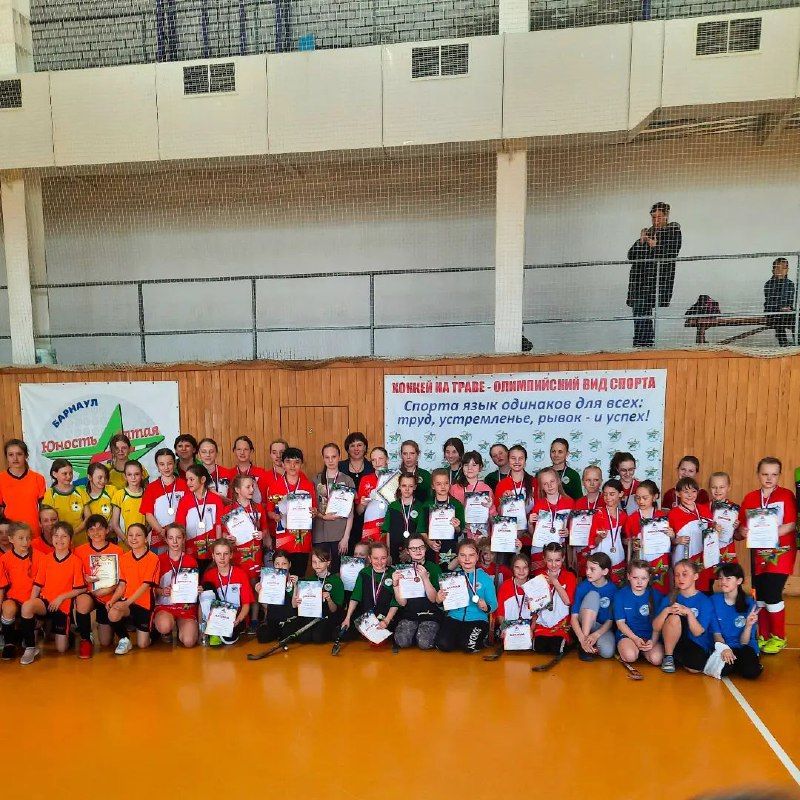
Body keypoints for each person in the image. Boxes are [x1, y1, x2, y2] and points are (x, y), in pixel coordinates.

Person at [738, 457, 797, 654]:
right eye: (765, 474)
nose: (769, 478)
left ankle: (779, 637)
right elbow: (741, 529)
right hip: (758, 555)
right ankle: (763, 635)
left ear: (779, 475)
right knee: (761, 596)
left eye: (774, 474)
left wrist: (767, 533)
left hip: (781, 553)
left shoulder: (786, 495)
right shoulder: (750, 498)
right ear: (758, 474)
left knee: (772, 593)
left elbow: (791, 525)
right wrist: (743, 531)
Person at [18, 521, 85, 665]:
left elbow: (81, 588)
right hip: (45, 602)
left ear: (70, 539)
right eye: (56, 536)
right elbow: (37, 585)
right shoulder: (45, 559)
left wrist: (61, 597)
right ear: (52, 537)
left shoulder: (76, 561)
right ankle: (30, 647)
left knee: (61, 649)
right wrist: (32, 607)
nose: (59, 539)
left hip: (62, 606)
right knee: (27, 606)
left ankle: (68, 632)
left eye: (64, 536)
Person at [626, 200, 682, 348]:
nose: (656, 220)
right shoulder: (648, 232)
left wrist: (656, 246)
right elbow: (631, 255)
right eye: (653, 217)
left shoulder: (673, 231)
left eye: (659, 217)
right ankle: (641, 347)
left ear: (666, 216)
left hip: (656, 282)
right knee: (639, 315)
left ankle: (645, 347)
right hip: (639, 282)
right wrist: (641, 242)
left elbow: (672, 252)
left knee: (644, 315)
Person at [105, 523, 160, 655]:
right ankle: (124, 639)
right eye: (130, 535)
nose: (134, 538)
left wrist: (126, 603)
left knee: (142, 644)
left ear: (145, 539)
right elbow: (122, 584)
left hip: (144, 604)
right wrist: (113, 600)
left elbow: (145, 585)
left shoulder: (153, 558)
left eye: (138, 535)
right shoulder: (124, 558)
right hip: (128, 602)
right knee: (113, 612)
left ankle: (154, 630)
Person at [435, 539, 497, 653]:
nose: (467, 559)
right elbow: (443, 603)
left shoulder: (485, 578)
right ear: (457, 557)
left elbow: (494, 604)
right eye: (463, 555)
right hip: (454, 617)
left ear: (477, 557)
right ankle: (460, 637)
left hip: (477, 619)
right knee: (443, 644)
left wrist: (486, 607)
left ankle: (476, 637)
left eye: (471, 555)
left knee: (468, 646)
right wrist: (438, 599)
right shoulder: (450, 578)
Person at [73, 514, 123, 658]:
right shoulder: (79, 551)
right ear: (87, 533)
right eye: (92, 529)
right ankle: (85, 639)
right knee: (82, 600)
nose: (96, 532)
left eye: (100, 528)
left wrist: (110, 589)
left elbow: (122, 579)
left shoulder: (118, 551)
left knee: (106, 642)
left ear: (107, 530)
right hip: (89, 594)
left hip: (108, 596)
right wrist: (85, 578)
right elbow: (75, 576)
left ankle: (110, 627)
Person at [221, 473, 266, 632]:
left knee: (255, 586)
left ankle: (254, 619)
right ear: (237, 490)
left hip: (255, 554)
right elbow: (222, 534)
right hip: (237, 555)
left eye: (252, 486)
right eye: (248, 487)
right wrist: (228, 538)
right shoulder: (228, 511)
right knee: (239, 587)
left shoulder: (258, 508)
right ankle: (239, 620)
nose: (252, 489)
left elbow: (265, 530)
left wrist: (262, 534)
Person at [653, 559, 713, 674]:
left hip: (695, 642)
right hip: (673, 642)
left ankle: (679, 658)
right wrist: (666, 611)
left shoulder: (704, 601)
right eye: (677, 575)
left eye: (685, 574)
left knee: (694, 668)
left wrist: (688, 613)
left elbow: (697, 632)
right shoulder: (669, 598)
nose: (680, 578)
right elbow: (655, 627)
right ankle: (669, 657)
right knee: (674, 617)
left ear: (695, 576)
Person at [266, 447, 317, 576]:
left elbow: (314, 510)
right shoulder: (275, 486)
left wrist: (314, 512)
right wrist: (275, 516)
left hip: (302, 538)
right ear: (283, 464)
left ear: (301, 464)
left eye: (296, 462)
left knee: (299, 575)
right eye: (288, 462)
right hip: (284, 537)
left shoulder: (308, 485)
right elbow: (269, 511)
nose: (292, 466)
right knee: (282, 575)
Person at [199, 538, 254, 646]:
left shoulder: (240, 574)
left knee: (228, 639)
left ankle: (218, 633)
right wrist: (201, 628)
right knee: (206, 586)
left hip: (235, 618)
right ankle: (212, 630)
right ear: (213, 556)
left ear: (231, 555)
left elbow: (246, 604)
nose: (222, 557)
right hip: (215, 617)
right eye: (218, 554)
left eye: (225, 554)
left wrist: (238, 620)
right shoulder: (209, 575)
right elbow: (202, 605)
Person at [0, 522, 43, 660]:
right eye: (20, 538)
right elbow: (1, 587)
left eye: (28, 538)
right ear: (11, 539)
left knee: (28, 608)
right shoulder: (4, 559)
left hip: (34, 600)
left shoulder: (40, 557)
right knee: (7, 607)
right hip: (14, 599)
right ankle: (9, 643)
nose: (25, 542)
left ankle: (30, 645)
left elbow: (43, 585)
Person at [711, 562, 762, 679]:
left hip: (744, 646)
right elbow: (716, 634)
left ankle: (746, 663)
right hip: (725, 646)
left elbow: (744, 642)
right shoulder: (714, 601)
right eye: (721, 578)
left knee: (751, 673)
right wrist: (724, 649)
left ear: (739, 581)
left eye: (728, 578)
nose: (723, 581)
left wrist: (748, 625)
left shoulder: (750, 603)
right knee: (724, 670)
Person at [153, 523, 200, 648]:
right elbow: (151, 588)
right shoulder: (158, 560)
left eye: (178, 537)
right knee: (164, 626)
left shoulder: (191, 561)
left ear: (184, 539)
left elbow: (193, 588)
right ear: (166, 539)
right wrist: (162, 591)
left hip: (185, 607)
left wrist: (197, 590)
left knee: (189, 642)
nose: (174, 542)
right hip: (165, 605)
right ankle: (167, 631)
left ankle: (182, 628)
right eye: (171, 538)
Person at [392, 534, 442, 650]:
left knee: (425, 643)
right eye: (413, 548)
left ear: (425, 548)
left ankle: (420, 634)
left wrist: (425, 578)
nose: (418, 551)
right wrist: (395, 584)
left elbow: (434, 599)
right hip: (410, 615)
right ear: (407, 551)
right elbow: (402, 603)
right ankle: (415, 634)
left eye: (421, 547)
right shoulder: (403, 570)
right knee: (401, 641)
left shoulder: (433, 568)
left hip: (430, 615)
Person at [667, 477, 715, 593]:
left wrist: (715, 529)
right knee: (683, 590)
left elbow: (711, 532)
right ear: (678, 493)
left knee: (703, 589)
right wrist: (676, 540)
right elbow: (668, 541)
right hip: (682, 558)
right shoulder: (673, 514)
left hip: (703, 557)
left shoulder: (704, 510)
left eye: (693, 491)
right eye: (686, 492)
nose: (690, 495)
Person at [623, 479, 672, 592]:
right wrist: (632, 543)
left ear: (654, 497)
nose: (641, 501)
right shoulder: (632, 518)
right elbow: (626, 540)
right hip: (641, 560)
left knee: (660, 591)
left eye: (645, 498)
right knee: (642, 592)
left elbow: (671, 540)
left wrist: (672, 535)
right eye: (637, 498)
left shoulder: (663, 517)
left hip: (660, 560)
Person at [287, 546, 344, 644]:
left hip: (328, 617)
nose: (317, 565)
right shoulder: (309, 580)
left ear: (328, 563)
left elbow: (334, 610)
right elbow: (295, 604)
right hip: (311, 616)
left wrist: (329, 599)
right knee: (304, 639)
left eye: (321, 562)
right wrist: (298, 596)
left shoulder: (336, 581)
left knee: (318, 638)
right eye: (314, 562)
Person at [615, 559, 665, 667]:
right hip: (629, 636)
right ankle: (631, 649)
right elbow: (620, 623)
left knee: (657, 659)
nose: (639, 582)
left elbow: (659, 624)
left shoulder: (656, 596)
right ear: (628, 576)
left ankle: (643, 651)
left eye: (643, 578)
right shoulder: (620, 595)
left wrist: (653, 641)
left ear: (649, 578)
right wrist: (635, 639)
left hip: (650, 637)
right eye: (635, 578)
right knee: (630, 656)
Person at [312, 443, 355, 571]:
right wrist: (323, 516)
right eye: (327, 457)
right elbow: (312, 509)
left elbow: (351, 512)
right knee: (321, 570)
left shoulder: (347, 480)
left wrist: (346, 538)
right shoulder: (316, 480)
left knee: (337, 571)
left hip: (339, 534)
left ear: (339, 457)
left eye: (334, 457)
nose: (330, 460)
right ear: (323, 458)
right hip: (320, 534)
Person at [341, 541, 398, 635]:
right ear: (369, 558)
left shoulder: (394, 574)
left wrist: (386, 621)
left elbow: (395, 602)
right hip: (367, 618)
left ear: (387, 557)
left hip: (387, 618)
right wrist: (347, 618)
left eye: (383, 558)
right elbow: (355, 597)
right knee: (343, 633)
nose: (379, 562)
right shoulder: (364, 573)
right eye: (375, 558)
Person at [141, 448, 188, 555]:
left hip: (181, 537)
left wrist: (178, 533)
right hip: (159, 537)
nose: (166, 467)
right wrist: (162, 532)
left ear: (174, 464)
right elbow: (148, 514)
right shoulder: (151, 488)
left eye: (169, 463)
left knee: (181, 563)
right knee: (161, 564)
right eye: (162, 464)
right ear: (157, 466)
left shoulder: (184, 485)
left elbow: (189, 510)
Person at [175, 464, 226, 564]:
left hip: (211, 552)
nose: (188, 483)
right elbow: (180, 527)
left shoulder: (216, 499)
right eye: (187, 479)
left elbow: (219, 525)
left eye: (191, 479)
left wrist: (218, 550)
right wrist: (183, 552)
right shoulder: (184, 501)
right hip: (191, 552)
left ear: (202, 479)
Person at [571, 552, 617, 661]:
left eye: (592, 569)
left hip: (601, 627)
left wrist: (596, 635)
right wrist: (582, 639)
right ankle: (583, 646)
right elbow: (573, 618)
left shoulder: (613, 590)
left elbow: (610, 620)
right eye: (587, 568)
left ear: (605, 571)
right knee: (593, 595)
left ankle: (591, 643)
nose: (587, 572)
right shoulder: (582, 587)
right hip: (584, 625)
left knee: (607, 652)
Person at [532, 542, 576, 656]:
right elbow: (534, 605)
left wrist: (555, 582)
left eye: (557, 560)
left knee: (556, 648)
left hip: (561, 624)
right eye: (549, 560)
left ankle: (569, 639)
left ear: (563, 559)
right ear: (544, 559)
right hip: (543, 623)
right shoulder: (539, 575)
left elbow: (568, 601)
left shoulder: (569, 576)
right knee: (539, 648)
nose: (553, 564)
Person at [494, 444, 537, 553]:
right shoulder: (502, 485)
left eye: (520, 458)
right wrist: (503, 501)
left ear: (525, 461)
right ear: (508, 460)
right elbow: (498, 513)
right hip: (508, 538)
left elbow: (539, 509)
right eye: (513, 458)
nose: (517, 461)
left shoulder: (534, 482)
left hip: (529, 538)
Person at [529, 467, 574, 571]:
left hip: (559, 551)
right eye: (545, 484)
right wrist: (530, 523)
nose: (549, 486)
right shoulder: (538, 505)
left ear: (558, 481)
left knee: (558, 577)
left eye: (552, 481)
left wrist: (568, 532)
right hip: (539, 550)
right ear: (541, 487)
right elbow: (533, 534)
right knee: (540, 578)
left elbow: (574, 530)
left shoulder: (569, 503)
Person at [0, 439, 46, 538]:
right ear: (6, 457)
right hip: (10, 534)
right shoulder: (1, 479)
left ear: (26, 456)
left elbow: (44, 510)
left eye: (19, 454)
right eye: (11, 455)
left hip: (33, 532)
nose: (15, 458)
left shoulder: (38, 478)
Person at [585, 479, 628, 585]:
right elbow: (592, 541)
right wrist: (600, 537)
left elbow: (625, 538)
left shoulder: (623, 515)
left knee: (617, 586)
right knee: (600, 586)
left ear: (620, 494)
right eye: (605, 494)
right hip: (600, 557)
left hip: (617, 556)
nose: (608, 497)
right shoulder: (598, 514)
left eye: (612, 494)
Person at [423, 469, 464, 571]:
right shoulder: (426, 505)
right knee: (432, 574)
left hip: (450, 548)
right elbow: (421, 530)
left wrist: (456, 527)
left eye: (446, 483)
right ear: (433, 486)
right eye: (438, 484)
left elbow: (460, 530)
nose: (443, 486)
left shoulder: (456, 505)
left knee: (448, 575)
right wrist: (429, 542)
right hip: (431, 548)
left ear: (449, 484)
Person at [381, 473, 427, 565]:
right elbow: (387, 531)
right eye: (404, 485)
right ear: (399, 486)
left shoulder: (420, 507)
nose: (407, 489)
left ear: (415, 487)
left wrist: (409, 552)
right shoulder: (392, 506)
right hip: (394, 552)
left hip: (413, 553)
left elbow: (421, 533)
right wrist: (388, 554)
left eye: (410, 486)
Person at [450, 451, 496, 540]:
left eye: (474, 465)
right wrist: (460, 524)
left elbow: (493, 519)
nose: (470, 468)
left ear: (480, 467)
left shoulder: (486, 489)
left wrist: (490, 508)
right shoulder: (454, 488)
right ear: (462, 467)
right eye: (466, 465)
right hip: (460, 537)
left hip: (481, 537)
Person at [339, 432, 374, 547]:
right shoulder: (339, 467)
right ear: (347, 449)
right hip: (344, 517)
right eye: (352, 446)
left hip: (367, 515)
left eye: (359, 445)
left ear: (365, 447)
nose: (356, 449)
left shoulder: (372, 467)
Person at [254, 549, 297, 643]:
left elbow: (295, 605)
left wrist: (296, 586)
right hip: (273, 619)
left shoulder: (294, 581)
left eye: (284, 564)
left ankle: (282, 633)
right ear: (273, 565)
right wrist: (259, 593)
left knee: (287, 635)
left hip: (289, 620)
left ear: (289, 564)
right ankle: (277, 632)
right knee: (262, 636)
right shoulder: (268, 580)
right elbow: (266, 606)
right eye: (277, 564)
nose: (280, 567)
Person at [43, 458, 87, 546]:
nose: (69, 476)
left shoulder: (80, 491)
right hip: (60, 541)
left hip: (81, 539)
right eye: (64, 473)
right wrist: (64, 535)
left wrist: (74, 532)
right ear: (55, 474)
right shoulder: (50, 494)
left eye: (70, 473)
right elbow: (47, 519)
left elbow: (88, 517)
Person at [356, 447, 392, 544]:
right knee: (370, 551)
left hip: (390, 522)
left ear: (387, 460)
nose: (377, 462)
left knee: (389, 551)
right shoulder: (365, 479)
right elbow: (359, 511)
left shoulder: (396, 478)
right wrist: (362, 504)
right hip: (370, 523)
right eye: (373, 460)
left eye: (380, 458)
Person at [495, 553, 533, 638]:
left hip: (528, 628)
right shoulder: (505, 586)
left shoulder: (534, 586)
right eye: (517, 567)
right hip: (509, 628)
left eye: (525, 568)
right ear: (512, 568)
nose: (521, 571)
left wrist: (532, 629)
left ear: (529, 568)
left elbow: (536, 614)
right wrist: (504, 628)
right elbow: (500, 612)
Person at [109, 460, 146, 546]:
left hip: (143, 543)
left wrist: (143, 538)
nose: (133, 477)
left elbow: (150, 522)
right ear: (125, 476)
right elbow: (115, 524)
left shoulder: (147, 494)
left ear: (142, 475)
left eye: (136, 474)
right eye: (129, 474)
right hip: (124, 543)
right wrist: (126, 540)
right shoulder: (119, 495)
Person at [708, 471, 740, 566]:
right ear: (709, 488)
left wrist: (737, 527)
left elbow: (739, 536)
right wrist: (711, 526)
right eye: (714, 487)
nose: (717, 490)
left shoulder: (735, 509)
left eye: (721, 487)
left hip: (727, 551)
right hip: (708, 551)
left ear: (728, 487)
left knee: (728, 574)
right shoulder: (704, 508)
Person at [763, 256, 795, 347]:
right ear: (773, 270)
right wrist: (780, 308)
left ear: (787, 270)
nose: (781, 271)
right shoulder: (768, 284)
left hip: (786, 313)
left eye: (784, 268)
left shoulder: (790, 284)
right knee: (779, 320)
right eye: (778, 268)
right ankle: (784, 344)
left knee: (797, 319)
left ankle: (797, 343)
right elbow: (769, 302)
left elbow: (790, 301)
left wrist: (788, 308)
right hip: (773, 312)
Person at [230, 436, 271, 504]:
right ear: (234, 451)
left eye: (246, 449)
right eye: (239, 449)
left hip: (257, 510)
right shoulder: (229, 474)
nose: (242, 452)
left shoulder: (261, 473)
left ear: (251, 451)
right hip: (234, 510)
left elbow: (265, 500)